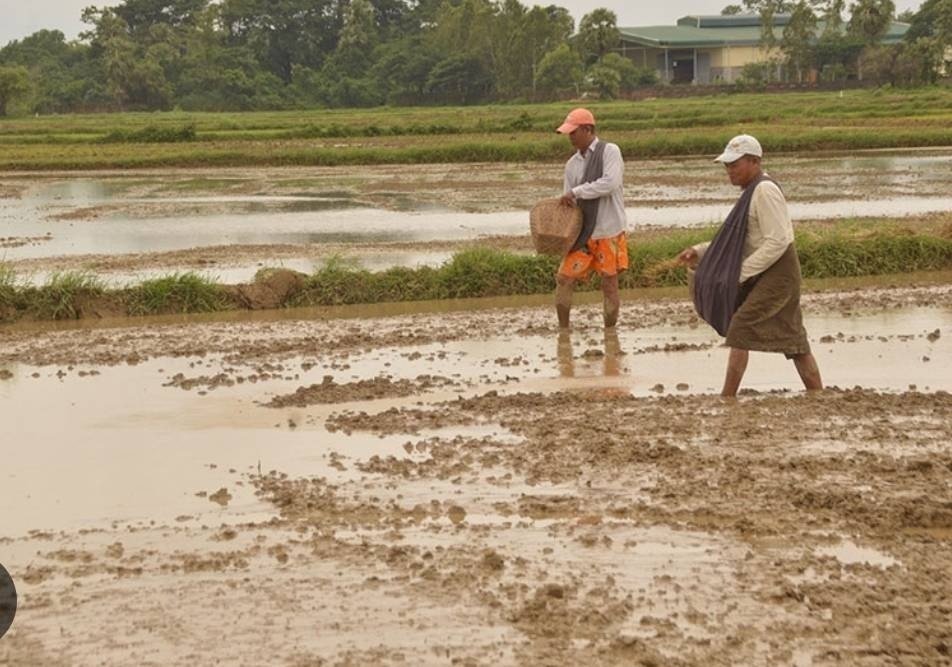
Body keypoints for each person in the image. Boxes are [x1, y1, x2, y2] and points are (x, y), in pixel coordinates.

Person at [675, 134, 823, 397]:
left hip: (779, 273)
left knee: (740, 326)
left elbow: (777, 242)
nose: (729, 171)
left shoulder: (764, 191)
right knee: (795, 341)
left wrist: (739, 274)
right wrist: (699, 251)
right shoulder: (751, 192)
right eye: (727, 166)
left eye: (735, 164)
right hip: (769, 271)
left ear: (754, 161)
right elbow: (741, 241)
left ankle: (727, 396)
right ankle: (818, 394)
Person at [554, 108, 628, 329]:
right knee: (564, 278)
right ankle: (563, 331)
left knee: (609, 284)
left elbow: (610, 183)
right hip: (583, 233)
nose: (570, 137)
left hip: (608, 230)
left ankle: (610, 332)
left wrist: (577, 192)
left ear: (588, 130)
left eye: (573, 132)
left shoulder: (610, 152)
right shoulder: (572, 165)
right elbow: (570, 202)